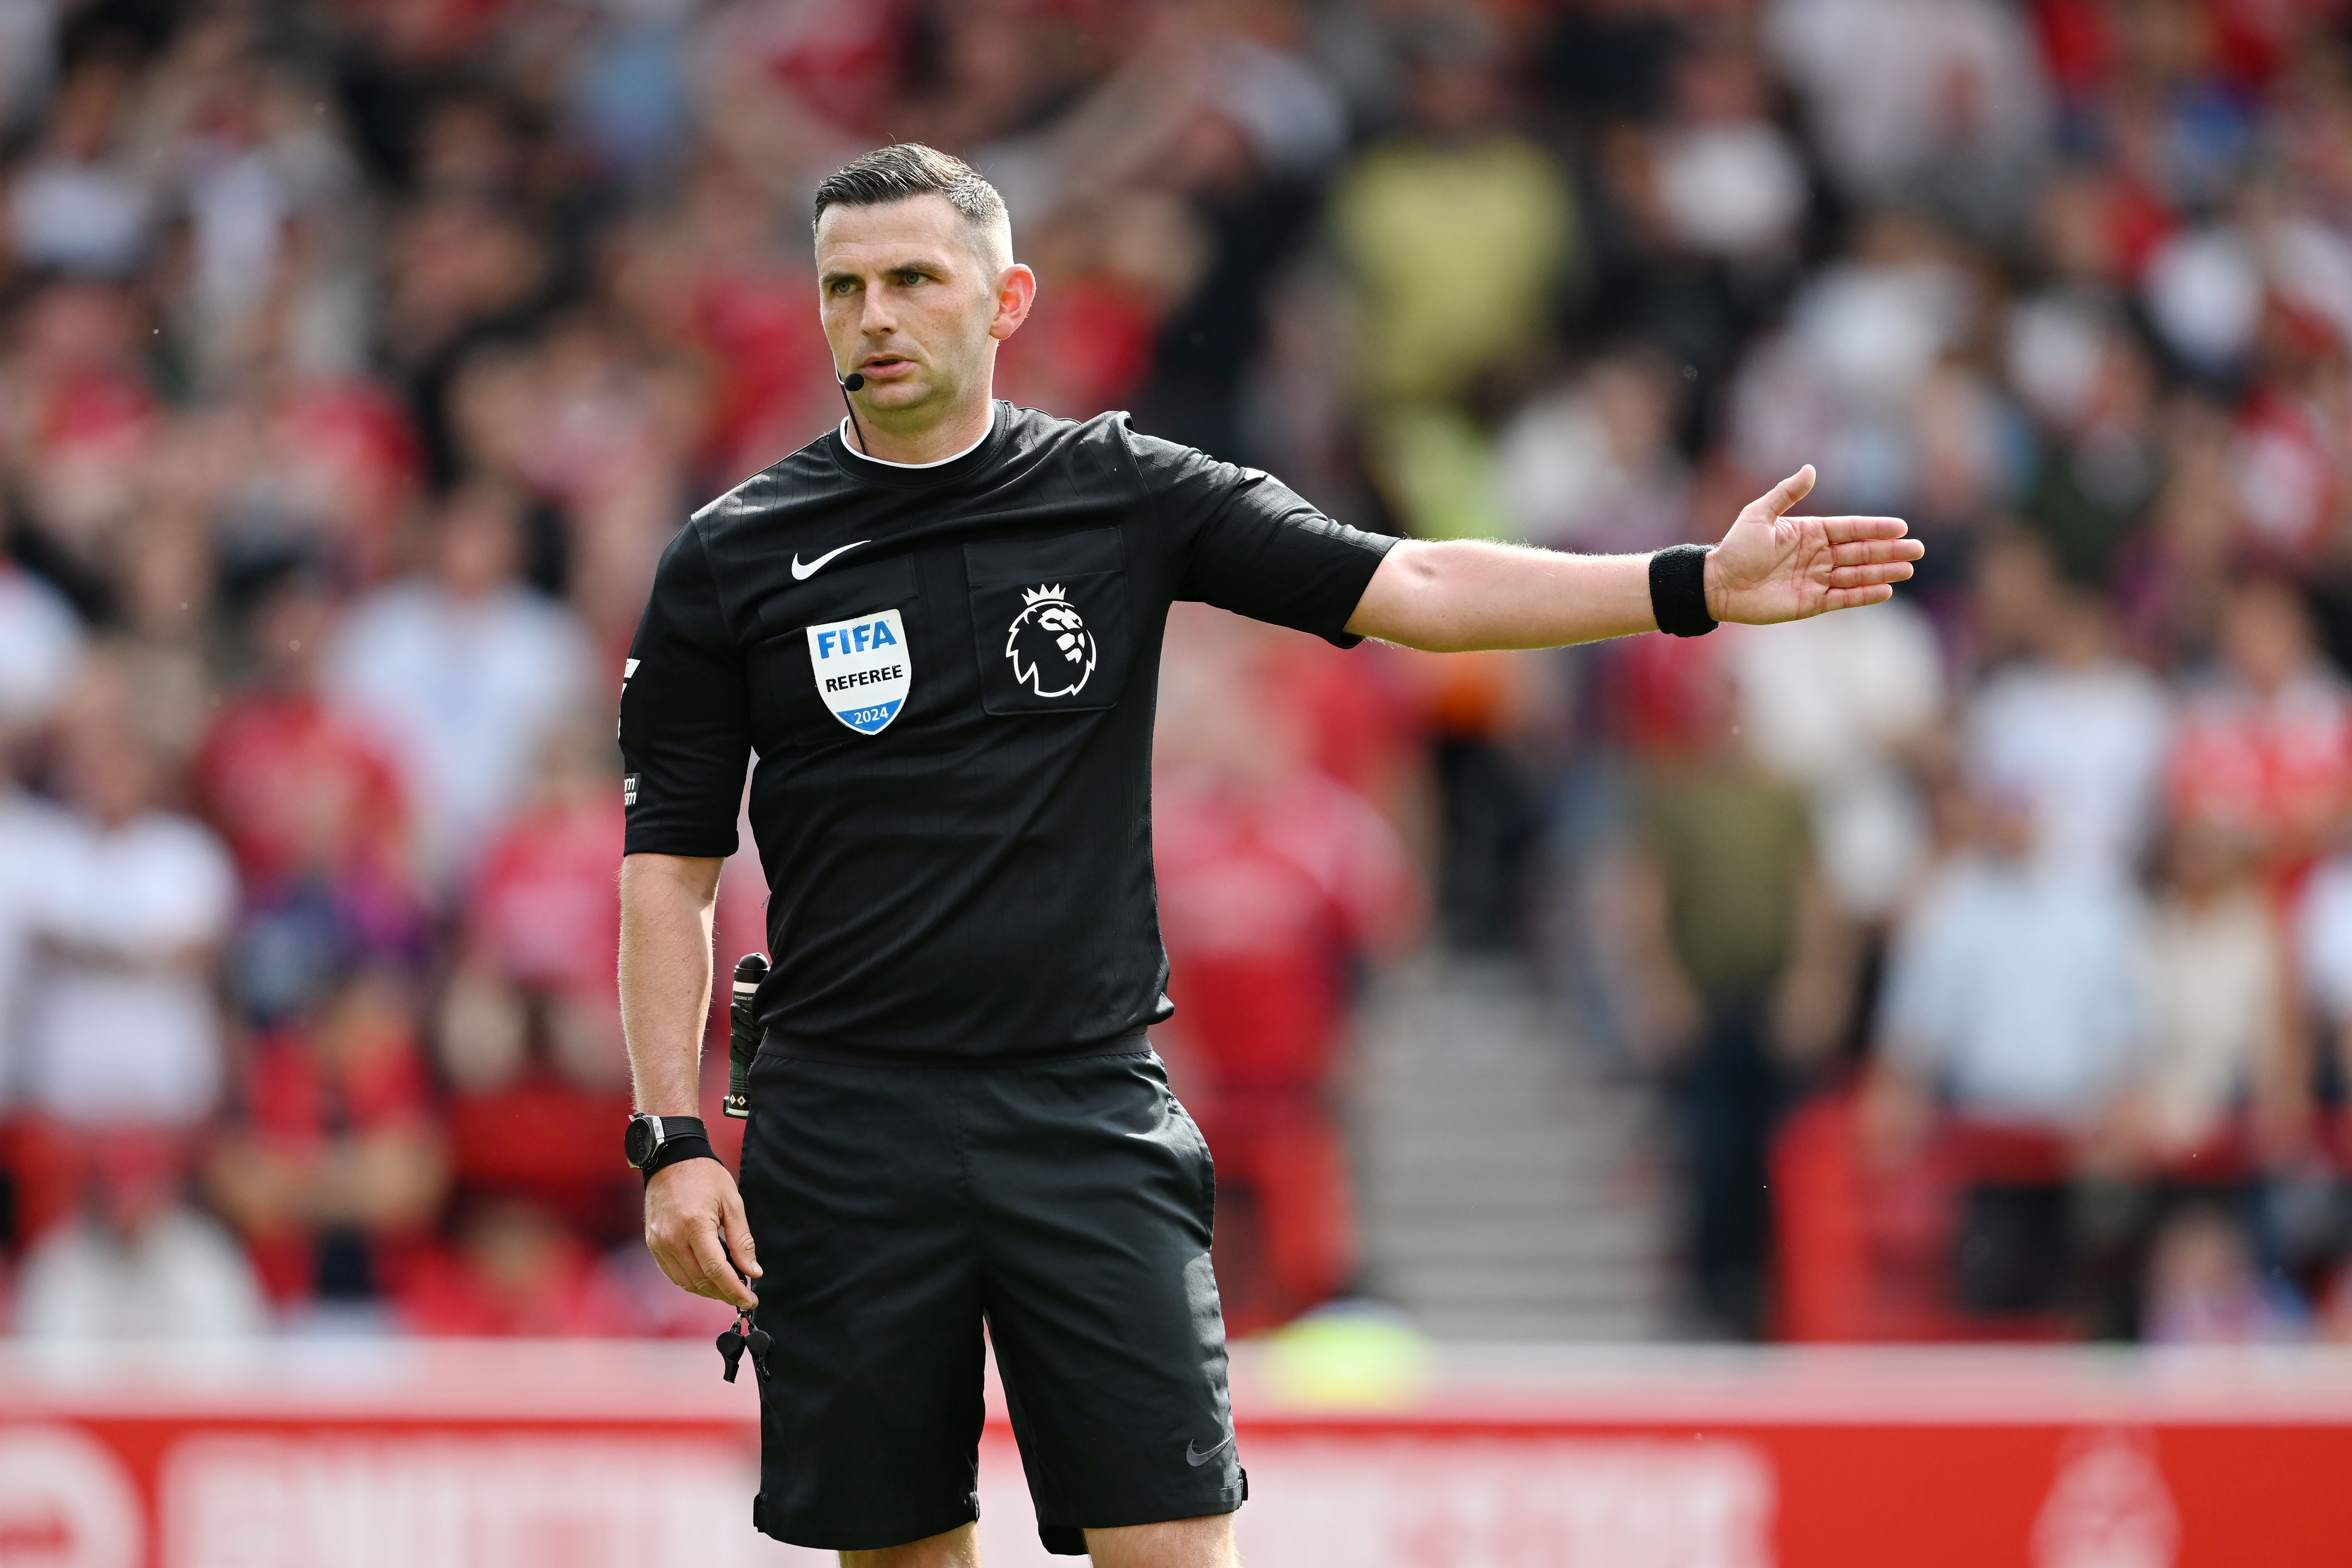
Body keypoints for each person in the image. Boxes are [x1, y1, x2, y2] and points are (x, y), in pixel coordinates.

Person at [616, 144, 1920, 1568]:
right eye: (844, 287)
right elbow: (667, 871)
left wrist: (1686, 584)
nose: (874, 315)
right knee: (902, 1555)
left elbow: (1405, 581)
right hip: (844, 1119)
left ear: (1005, 300)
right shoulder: (732, 558)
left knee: (1180, 1545)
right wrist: (672, 1137)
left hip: (1080, 1105)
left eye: (914, 278)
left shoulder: (1117, 492)